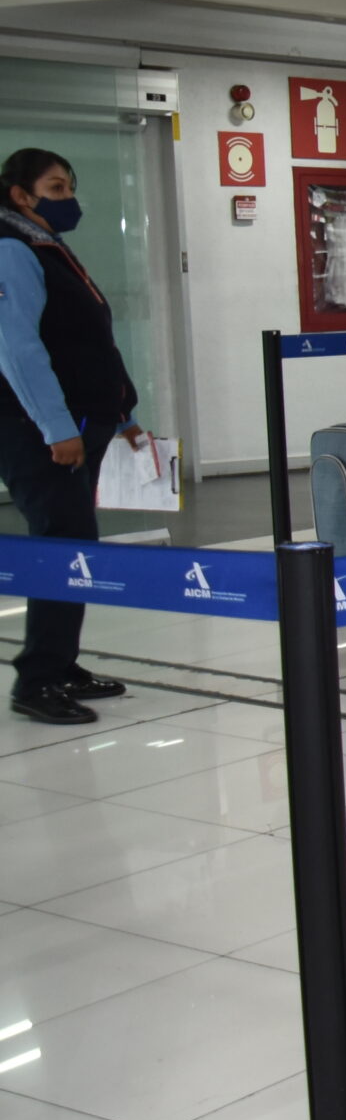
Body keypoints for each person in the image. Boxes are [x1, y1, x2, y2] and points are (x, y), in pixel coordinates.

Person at [0, 148, 140, 725]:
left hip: (83, 421)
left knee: (76, 543)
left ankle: (59, 662)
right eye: (56, 188)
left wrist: (124, 414)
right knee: (63, 543)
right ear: (21, 195)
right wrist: (57, 428)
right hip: (40, 429)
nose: (69, 199)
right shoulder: (12, 249)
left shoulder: (47, 247)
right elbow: (18, 350)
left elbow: (90, 340)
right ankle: (38, 680)